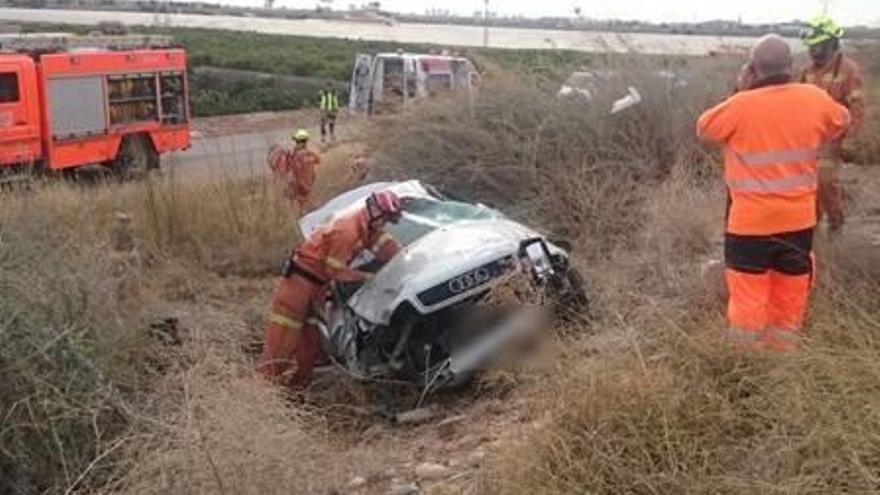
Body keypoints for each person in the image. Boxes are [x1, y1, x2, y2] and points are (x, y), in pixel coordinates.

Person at [697, 34, 851, 352]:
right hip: (798, 224)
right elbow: (842, 121)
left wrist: (741, 90)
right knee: (789, 300)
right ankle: (780, 367)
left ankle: (745, 366)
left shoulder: (739, 106)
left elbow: (704, 128)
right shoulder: (814, 98)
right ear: (791, 66)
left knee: (748, 302)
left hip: (749, 227)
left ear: (752, 70)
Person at [258, 191, 404, 388]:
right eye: (384, 218)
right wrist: (367, 278)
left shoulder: (366, 226)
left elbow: (387, 247)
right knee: (279, 351)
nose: (384, 223)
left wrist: (409, 259)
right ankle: (259, 394)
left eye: (388, 220)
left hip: (313, 291)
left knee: (310, 349)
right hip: (297, 289)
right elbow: (334, 272)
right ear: (375, 211)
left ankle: (296, 393)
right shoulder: (348, 230)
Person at [799, 15, 866, 233]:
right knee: (808, 187)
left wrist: (851, 140)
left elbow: (857, 107)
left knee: (826, 183)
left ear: (830, 43)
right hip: (808, 139)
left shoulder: (848, 70)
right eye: (810, 46)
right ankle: (812, 228)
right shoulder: (807, 71)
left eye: (816, 46)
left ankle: (836, 225)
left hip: (833, 139)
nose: (812, 50)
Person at [268, 129, 320, 211]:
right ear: (306, 141)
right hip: (302, 185)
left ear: (296, 141)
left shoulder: (293, 154)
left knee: (295, 204)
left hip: (295, 185)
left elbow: (292, 171)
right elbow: (316, 161)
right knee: (302, 203)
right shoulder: (308, 155)